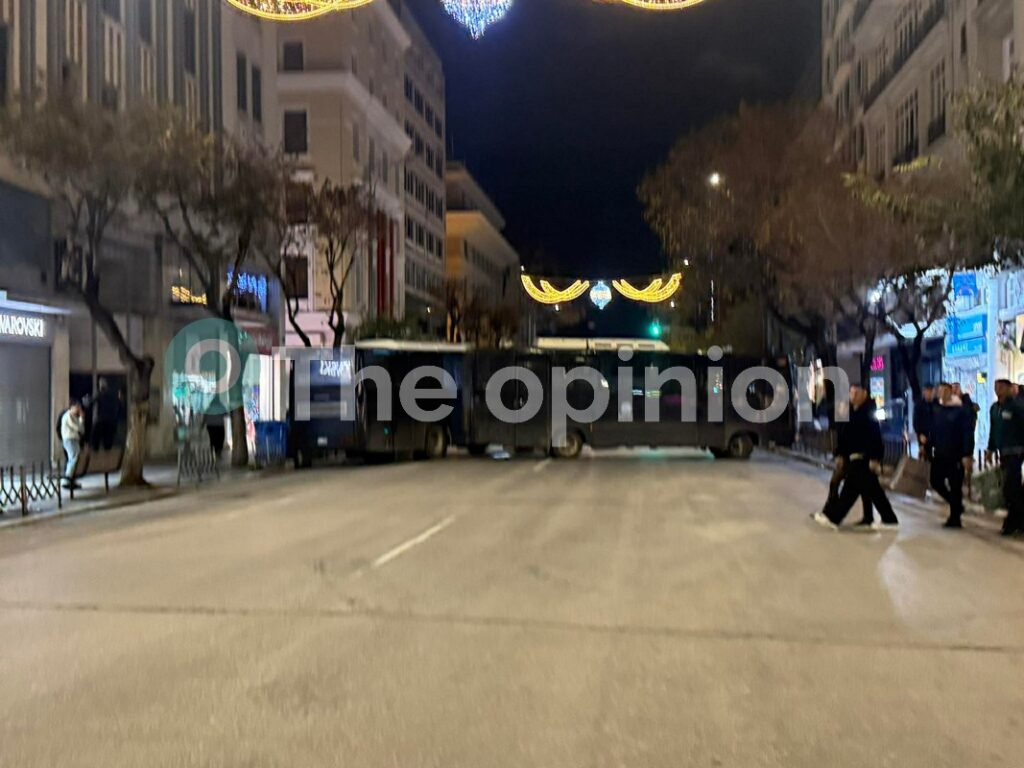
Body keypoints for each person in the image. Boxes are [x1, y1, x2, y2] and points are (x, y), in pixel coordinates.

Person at [814, 385, 899, 530]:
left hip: (863, 457)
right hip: (853, 457)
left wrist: (875, 458)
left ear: (864, 394)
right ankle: (886, 518)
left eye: (856, 393)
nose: (853, 396)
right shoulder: (852, 411)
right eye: (851, 393)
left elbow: (875, 437)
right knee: (872, 489)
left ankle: (834, 517)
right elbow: (846, 436)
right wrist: (841, 454)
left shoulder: (868, 411)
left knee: (851, 488)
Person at [928, 383, 975, 529]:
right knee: (935, 481)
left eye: (944, 391)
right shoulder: (937, 409)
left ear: (950, 392)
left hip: (956, 454)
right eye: (939, 391)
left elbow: (967, 433)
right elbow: (933, 431)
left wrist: (967, 454)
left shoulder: (960, 410)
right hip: (940, 454)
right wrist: (928, 446)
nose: (941, 393)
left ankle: (955, 518)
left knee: (955, 486)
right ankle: (956, 505)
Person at [987, 379, 1024, 537]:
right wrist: (990, 449)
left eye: (1002, 387)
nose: (998, 391)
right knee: (1010, 489)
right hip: (1003, 453)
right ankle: (1017, 521)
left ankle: (1012, 522)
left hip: (1016, 452)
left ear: (1009, 389)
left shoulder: (1017, 406)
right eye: (996, 388)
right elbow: (994, 430)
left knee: (1011, 487)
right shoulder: (995, 408)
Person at [60, 402, 86, 489]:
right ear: (71, 407)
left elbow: (82, 430)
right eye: (76, 407)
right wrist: (81, 418)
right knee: (73, 458)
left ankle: (71, 479)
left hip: (75, 440)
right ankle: (67, 479)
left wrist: (81, 419)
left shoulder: (75, 417)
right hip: (69, 440)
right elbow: (78, 428)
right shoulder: (68, 416)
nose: (78, 409)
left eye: (79, 407)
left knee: (75, 458)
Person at [90, 378, 121, 451]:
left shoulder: (100, 395)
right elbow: (119, 405)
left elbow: (91, 403)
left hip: (102, 420)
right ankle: (106, 449)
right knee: (107, 441)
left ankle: (96, 449)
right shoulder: (112, 396)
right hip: (111, 421)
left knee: (95, 437)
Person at [913, 384, 937, 461]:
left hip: (936, 436)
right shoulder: (919, 405)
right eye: (927, 391)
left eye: (930, 392)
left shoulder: (937, 404)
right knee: (925, 458)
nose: (928, 394)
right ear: (924, 392)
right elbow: (916, 422)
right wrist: (920, 435)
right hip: (924, 436)